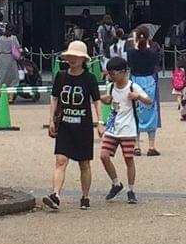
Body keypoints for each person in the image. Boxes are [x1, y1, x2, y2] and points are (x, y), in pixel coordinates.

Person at [41, 40, 103, 211]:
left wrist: (100, 121)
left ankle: (85, 196)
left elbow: (97, 100)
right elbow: (54, 98)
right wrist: (52, 119)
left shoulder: (89, 78)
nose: (73, 59)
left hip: (83, 126)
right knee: (60, 160)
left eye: (76, 57)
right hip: (65, 125)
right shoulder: (61, 76)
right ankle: (55, 194)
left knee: (84, 162)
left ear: (83, 59)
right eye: (70, 56)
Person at [99, 56, 153, 205]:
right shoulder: (111, 86)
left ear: (123, 72)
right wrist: (104, 99)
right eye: (109, 73)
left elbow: (149, 101)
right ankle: (116, 183)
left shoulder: (132, 87)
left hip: (128, 128)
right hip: (113, 127)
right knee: (104, 155)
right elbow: (112, 101)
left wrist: (138, 97)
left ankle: (131, 190)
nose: (111, 76)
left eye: (113, 73)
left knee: (128, 159)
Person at [128, 27, 162, 156]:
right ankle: (151, 146)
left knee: (135, 111)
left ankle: (136, 146)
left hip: (136, 80)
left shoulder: (131, 52)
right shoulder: (153, 52)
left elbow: (129, 65)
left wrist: (136, 46)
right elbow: (157, 63)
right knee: (151, 110)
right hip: (150, 81)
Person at [0, 23, 20, 91]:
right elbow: (18, 47)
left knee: (1, 75)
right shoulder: (13, 38)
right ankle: (11, 97)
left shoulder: (1, 38)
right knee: (13, 77)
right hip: (11, 57)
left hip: (2, 57)